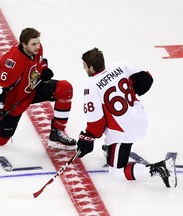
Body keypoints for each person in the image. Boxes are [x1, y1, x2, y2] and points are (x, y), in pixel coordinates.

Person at [0, 27, 76, 150]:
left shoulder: (36, 49)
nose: (37, 46)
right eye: (33, 44)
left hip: (31, 89)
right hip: (14, 100)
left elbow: (40, 60)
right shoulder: (13, 61)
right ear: (24, 44)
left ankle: (57, 133)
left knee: (65, 88)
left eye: (38, 42)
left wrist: (44, 69)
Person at [76, 47, 177, 187]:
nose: (83, 68)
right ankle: (110, 150)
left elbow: (96, 122)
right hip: (139, 118)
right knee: (114, 128)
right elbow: (146, 78)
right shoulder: (120, 67)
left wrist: (87, 137)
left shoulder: (91, 86)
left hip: (122, 133)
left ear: (91, 68)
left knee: (116, 173)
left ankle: (158, 168)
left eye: (84, 66)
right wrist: (131, 93)